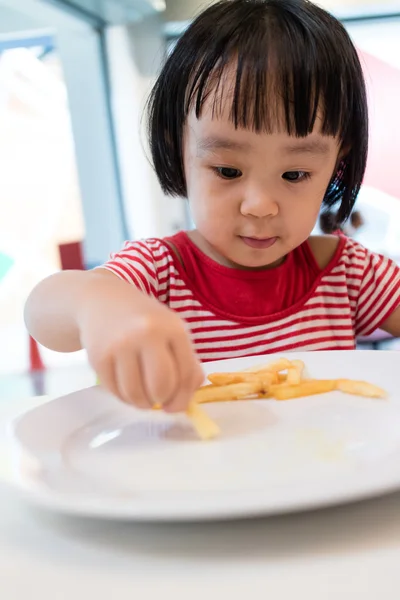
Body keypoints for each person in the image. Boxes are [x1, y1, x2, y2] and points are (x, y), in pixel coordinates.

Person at [24, 0, 400, 414]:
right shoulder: (159, 272)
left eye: (294, 175)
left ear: (337, 161)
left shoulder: (346, 273)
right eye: (227, 170)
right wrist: (96, 304)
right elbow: (44, 312)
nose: (260, 206)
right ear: (177, 147)